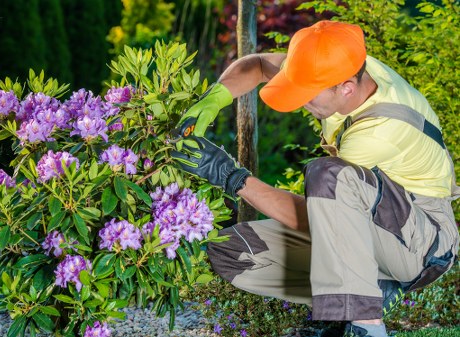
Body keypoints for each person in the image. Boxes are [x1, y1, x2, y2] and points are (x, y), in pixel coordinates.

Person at [171, 20, 459, 337]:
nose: (300, 101)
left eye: (308, 94)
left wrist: (228, 175)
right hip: (372, 225)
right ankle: (372, 290)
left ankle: (366, 324)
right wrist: (211, 102)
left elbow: (320, 220)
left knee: (327, 174)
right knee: (231, 251)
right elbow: (256, 65)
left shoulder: (379, 131)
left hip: (424, 243)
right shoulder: (341, 65)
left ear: (347, 87)